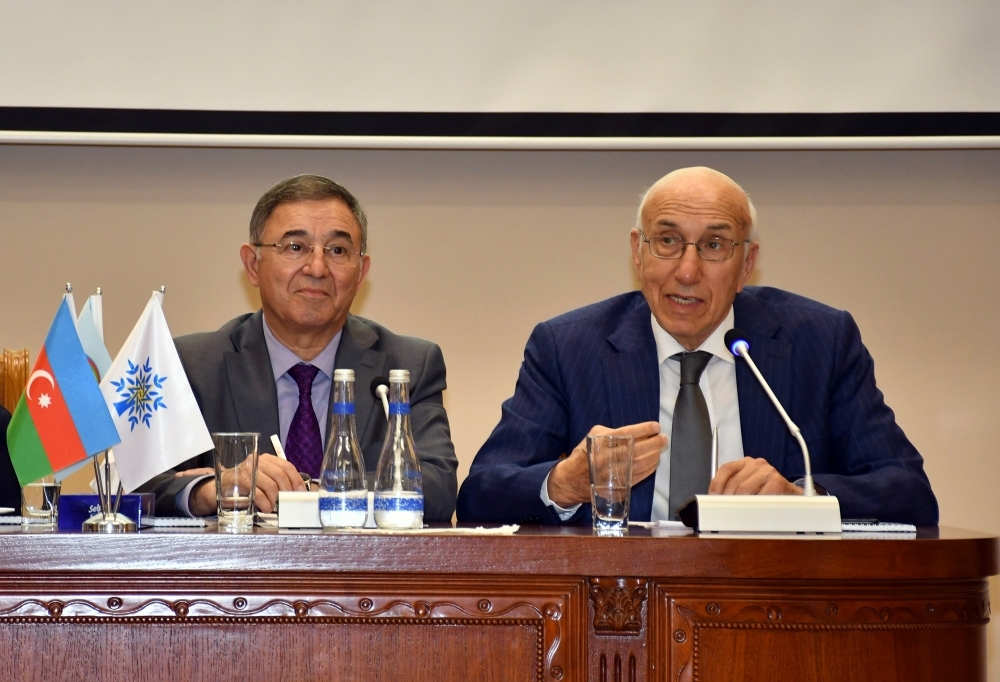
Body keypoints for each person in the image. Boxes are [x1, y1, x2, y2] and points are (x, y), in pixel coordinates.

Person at [457, 166, 937, 526]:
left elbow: (910, 493)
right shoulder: (568, 347)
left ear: (746, 264)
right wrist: (564, 483)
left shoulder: (821, 341)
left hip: (771, 599)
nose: (687, 271)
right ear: (638, 252)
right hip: (621, 604)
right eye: (667, 241)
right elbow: (479, 494)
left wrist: (800, 499)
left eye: (713, 246)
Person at [145, 175, 458, 521]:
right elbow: (134, 486)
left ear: (360, 272)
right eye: (295, 247)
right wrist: (212, 489)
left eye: (337, 250)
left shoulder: (408, 365)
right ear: (252, 265)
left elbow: (437, 487)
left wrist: (310, 492)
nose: (317, 268)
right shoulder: (191, 366)